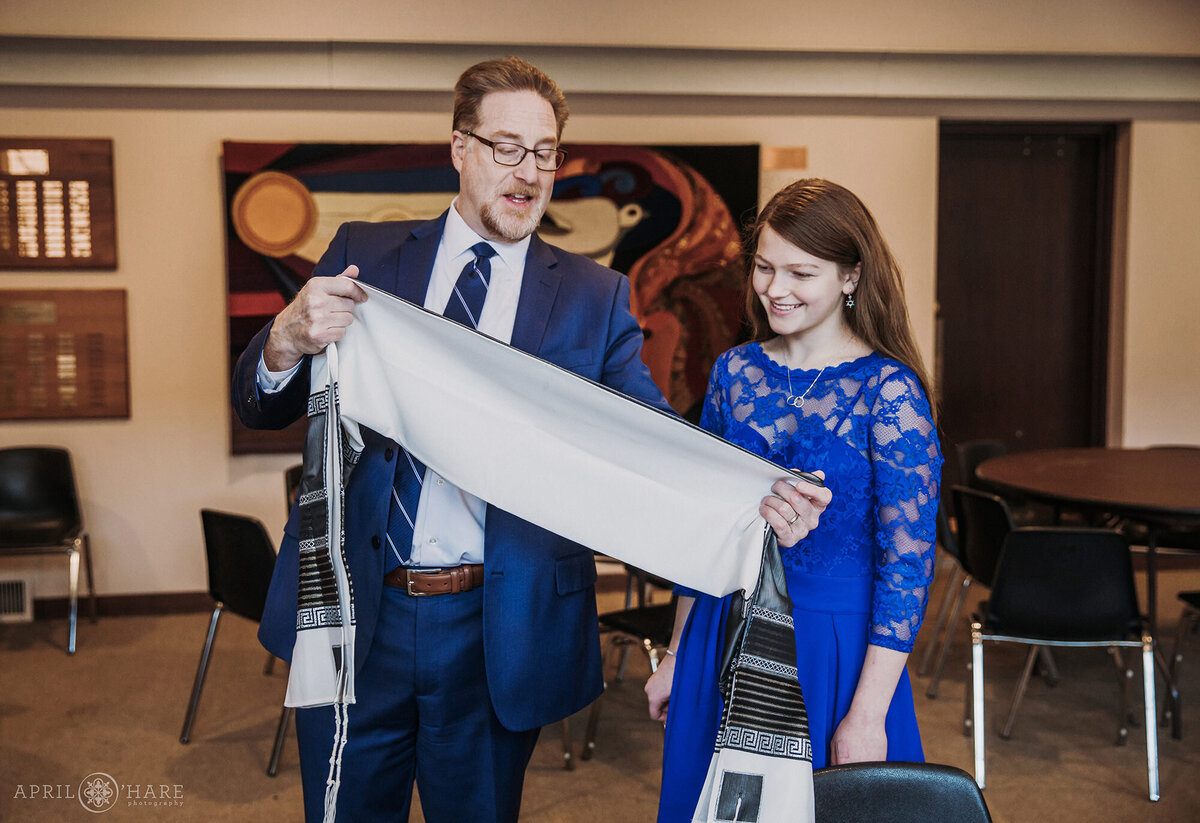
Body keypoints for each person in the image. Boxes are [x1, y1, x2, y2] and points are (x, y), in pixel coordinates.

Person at [233, 57, 831, 823]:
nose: (529, 171)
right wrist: (285, 337)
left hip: (497, 630)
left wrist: (755, 492)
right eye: (506, 146)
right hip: (358, 614)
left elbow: (648, 436)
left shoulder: (593, 295)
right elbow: (258, 401)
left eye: (546, 151)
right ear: (459, 147)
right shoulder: (368, 255)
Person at [645, 178, 943, 822]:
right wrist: (675, 656)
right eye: (764, 267)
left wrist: (865, 715)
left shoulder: (890, 393)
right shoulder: (733, 373)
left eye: (801, 272)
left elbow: (908, 571)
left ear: (850, 277)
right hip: (722, 630)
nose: (776, 289)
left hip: (834, 650)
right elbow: (703, 534)